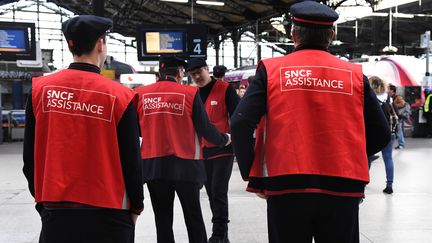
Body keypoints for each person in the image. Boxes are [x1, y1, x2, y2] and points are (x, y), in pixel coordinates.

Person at [230, 2, 390, 243]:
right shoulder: (354, 75)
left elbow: (240, 123)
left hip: (286, 184)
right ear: (332, 36)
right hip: (342, 185)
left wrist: (251, 173)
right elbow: (381, 132)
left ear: (294, 34)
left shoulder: (272, 70)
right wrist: (348, 153)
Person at [22, 15, 144, 243]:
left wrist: (43, 202)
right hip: (110, 212)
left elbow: (30, 157)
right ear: (100, 44)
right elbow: (132, 161)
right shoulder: (121, 96)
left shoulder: (40, 90)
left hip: (56, 208)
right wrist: (136, 206)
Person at [135, 56, 230, 243]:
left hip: (153, 166)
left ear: (159, 74)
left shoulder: (140, 94)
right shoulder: (190, 94)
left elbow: (136, 129)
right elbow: (204, 127)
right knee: (193, 217)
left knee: (162, 220)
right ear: (179, 73)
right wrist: (223, 139)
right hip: (186, 167)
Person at [187, 58, 240, 243]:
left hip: (223, 149)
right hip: (202, 151)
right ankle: (222, 236)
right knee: (210, 192)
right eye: (192, 75)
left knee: (218, 191)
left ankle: (218, 235)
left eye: (198, 73)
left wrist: (236, 140)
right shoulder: (192, 94)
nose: (196, 77)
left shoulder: (226, 89)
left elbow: (237, 116)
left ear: (206, 69)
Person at [368, 76, 398, 194]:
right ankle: (389, 185)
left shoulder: (370, 97)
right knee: (388, 158)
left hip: (373, 133)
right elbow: (394, 114)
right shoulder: (388, 98)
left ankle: (364, 181)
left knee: (368, 156)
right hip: (388, 132)